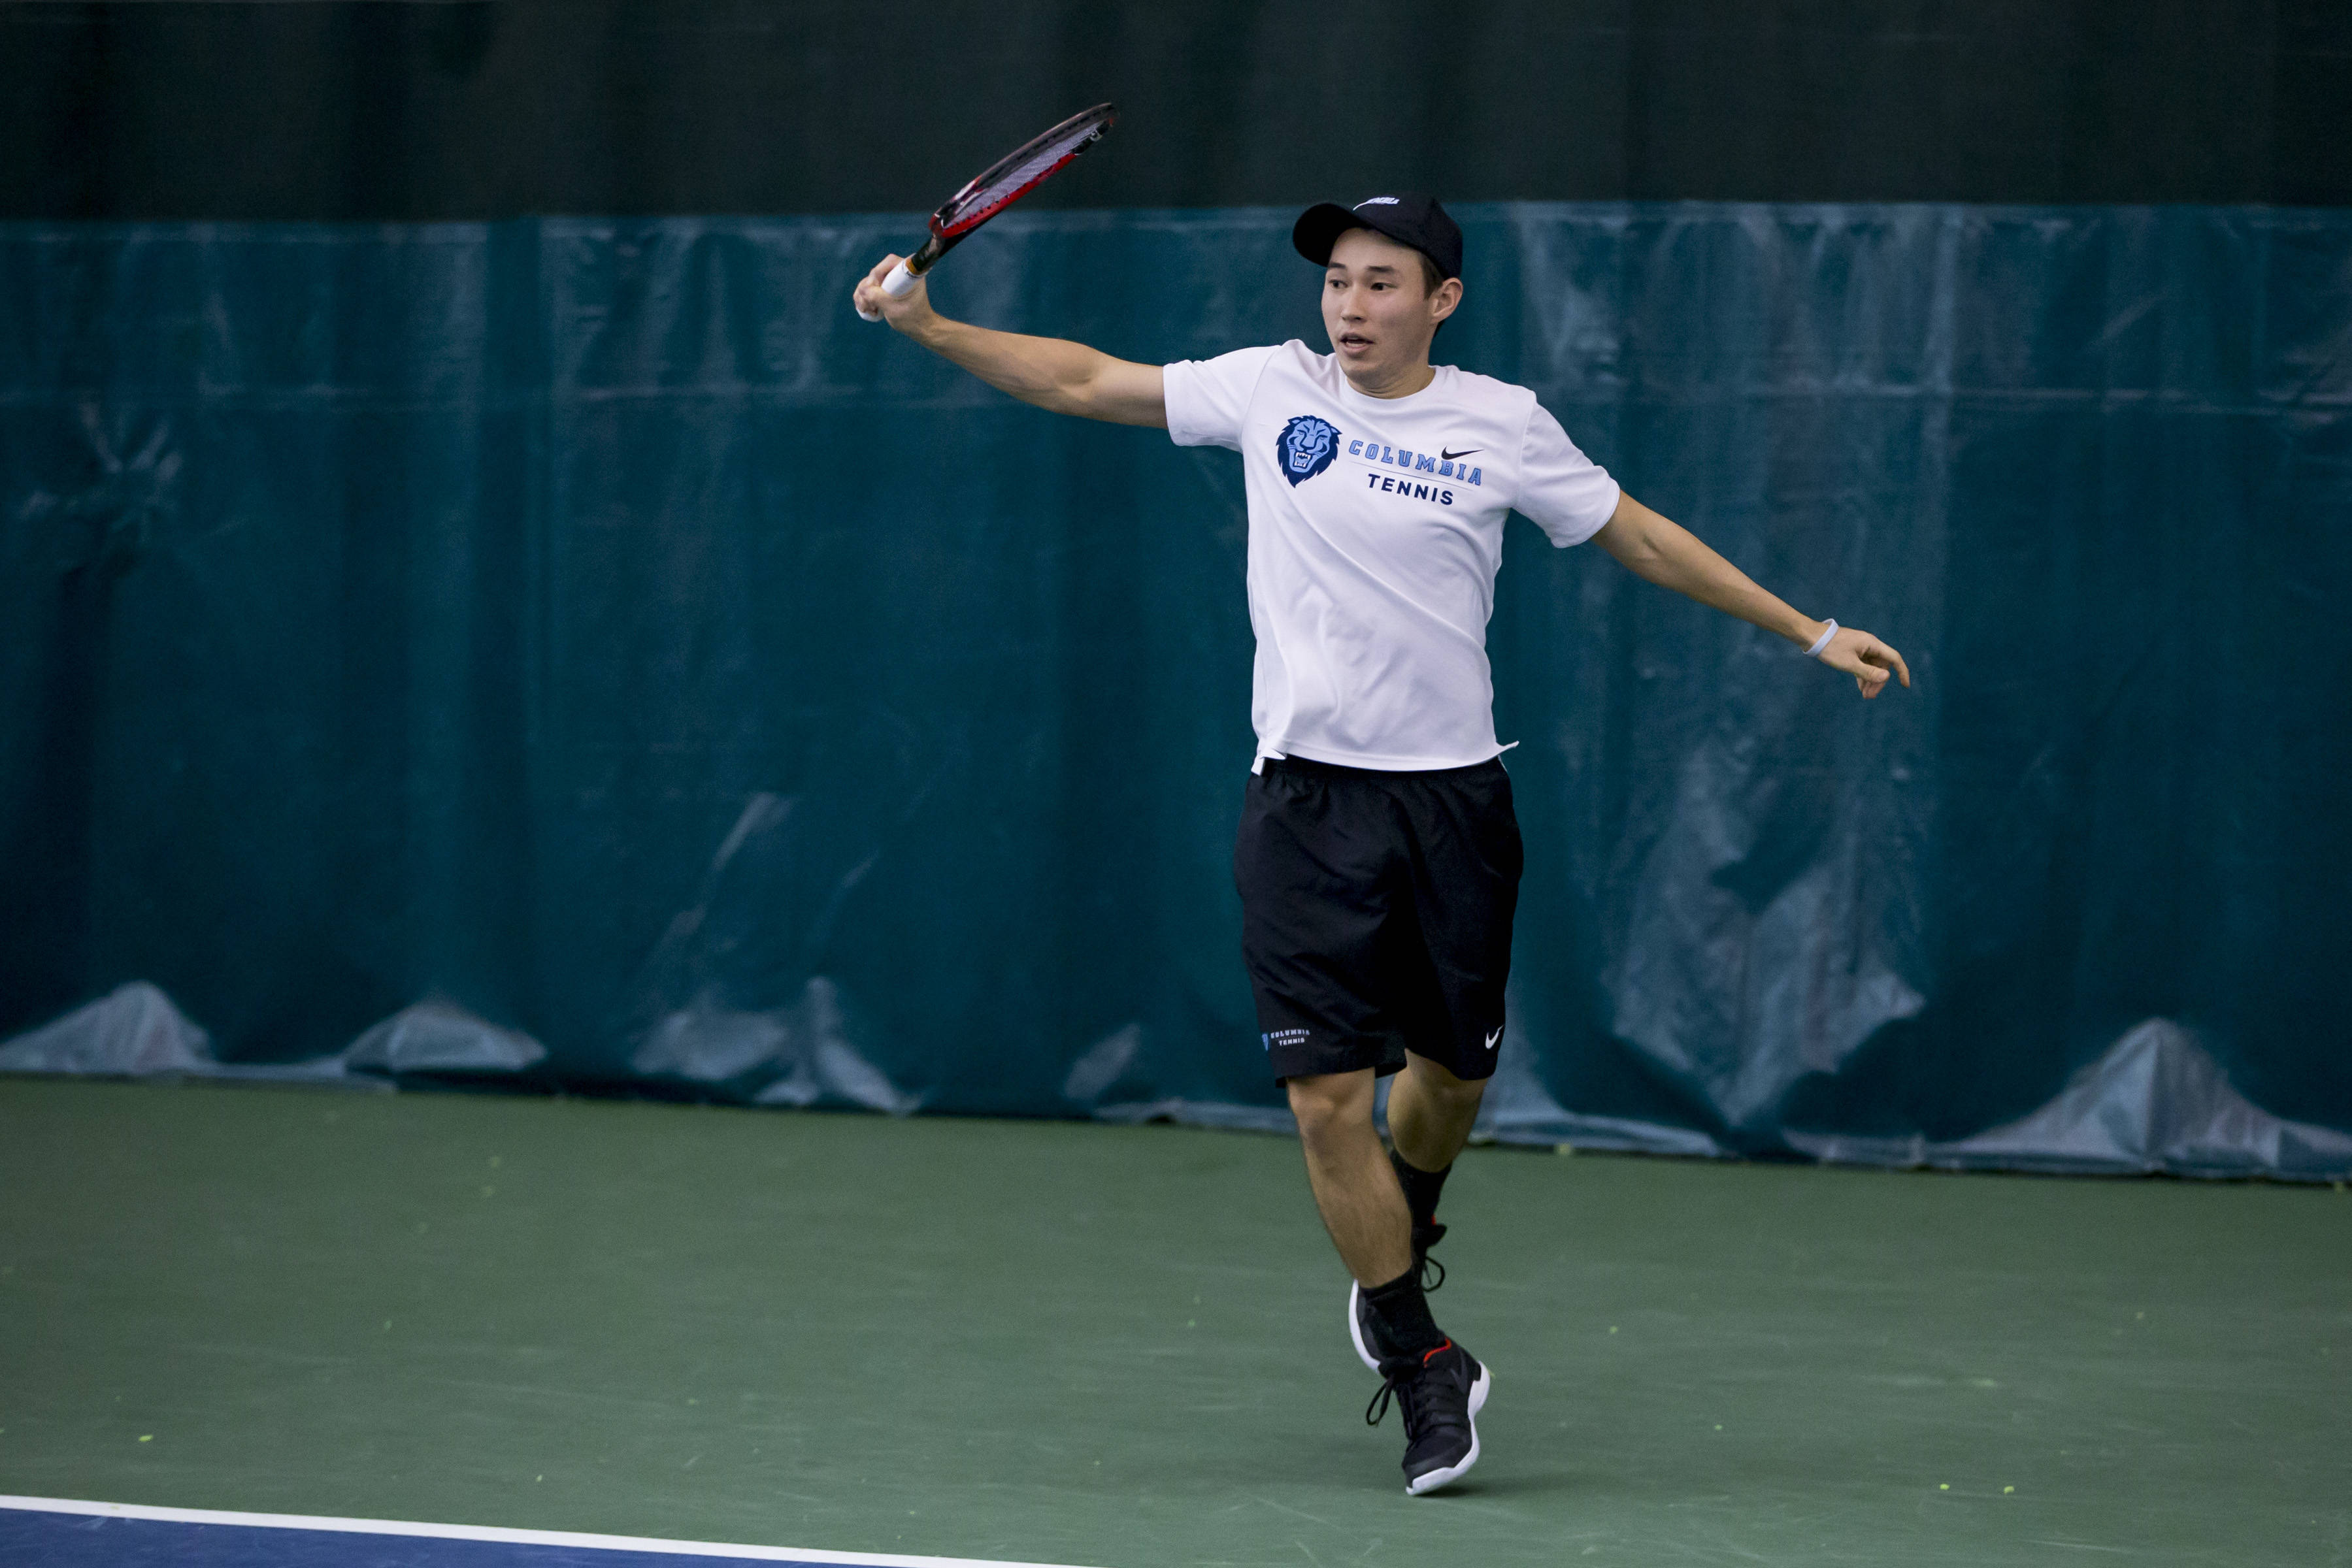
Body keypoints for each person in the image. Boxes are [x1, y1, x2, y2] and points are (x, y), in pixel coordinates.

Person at [852, 192, 1910, 1495]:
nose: (1350, 307)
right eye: (1338, 282)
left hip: (1454, 806)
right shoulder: (1267, 391)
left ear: (1441, 301)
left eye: (1381, 284)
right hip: (1302, 808)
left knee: (1449, 1083)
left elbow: (1635, 534)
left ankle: (1407, 1211)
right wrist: (932, 326)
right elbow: (1080, 380)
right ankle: (1420, 1357)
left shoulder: (1501, 424)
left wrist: (1809, 630)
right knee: (1320, 1101)